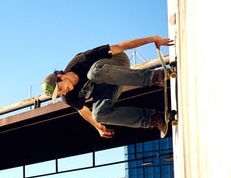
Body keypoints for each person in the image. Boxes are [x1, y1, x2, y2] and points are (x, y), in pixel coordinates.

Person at [41, 35, 174, 138]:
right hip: (109, 84)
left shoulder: (82, 60)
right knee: (99, 114)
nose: (63, 93)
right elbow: (82, 109)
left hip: (117, 62)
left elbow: (121, 46)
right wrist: (98, 127)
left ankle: (154, 77)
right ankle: (155, 118)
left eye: (60, 88)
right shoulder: (68, 97)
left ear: (60, 76)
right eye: (59, 94)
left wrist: (153, 39)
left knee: (93, 73)